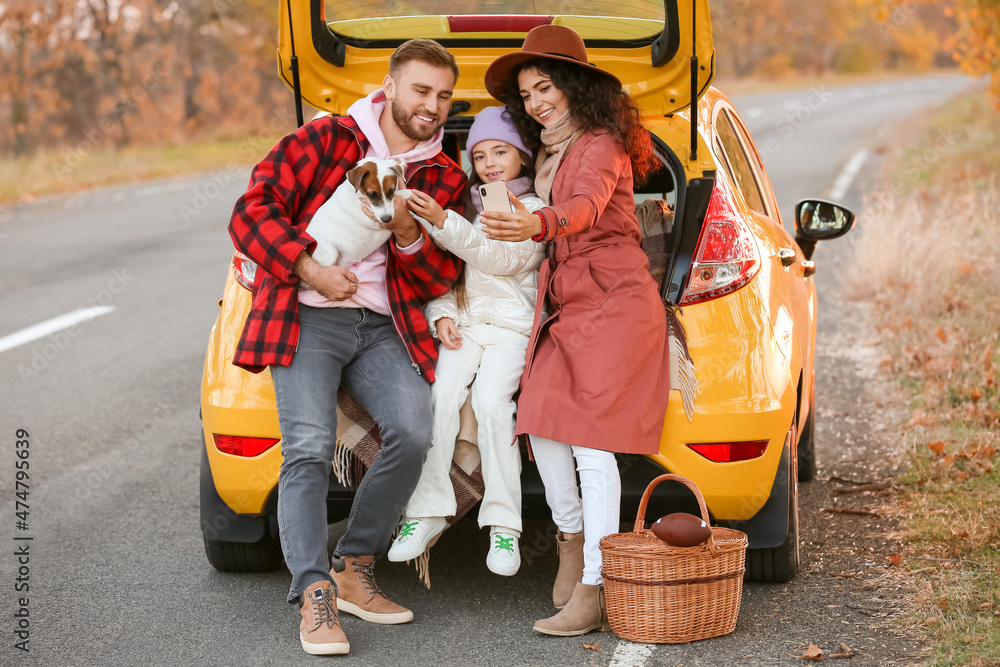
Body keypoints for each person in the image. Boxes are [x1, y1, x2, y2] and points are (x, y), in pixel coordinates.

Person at [227, 39, 467, 656]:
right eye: (420, 90)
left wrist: (412, 234)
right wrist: (308, 269)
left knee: (415, 431)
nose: (431, 106)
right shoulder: (327, 140)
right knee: (305, 449)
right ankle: (315, 595)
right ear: (390, 87)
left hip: (383, 327)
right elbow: (249, 212)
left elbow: (440, 279)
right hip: (304, 317)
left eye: (443, 96)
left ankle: (354, 565)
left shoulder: (442, 175)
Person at [479, 25, 670, 636]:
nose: (536, 102)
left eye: (546, 87)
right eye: (528, 94)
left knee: (590, 441)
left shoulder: (600, 143)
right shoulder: (550, 149)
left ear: (575, 86)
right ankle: (571, 538)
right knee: (538, 419)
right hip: (568, 301)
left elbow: (585, 208)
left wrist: (536, 223)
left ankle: (596, 584)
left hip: (613, 300)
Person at [385, 106, 546, 577]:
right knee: (439, 397)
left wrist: (440, 221)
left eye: (501, 151)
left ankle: (504, 525)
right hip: (470, 326)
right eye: (479, 155)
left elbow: (497, 260)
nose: (491, 163)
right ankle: (426, 512)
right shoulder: (473, 207)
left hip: (512, 330)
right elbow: (454, 277)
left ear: (522, 155)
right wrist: (442, 316)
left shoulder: (533, 211)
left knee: (493, 406)